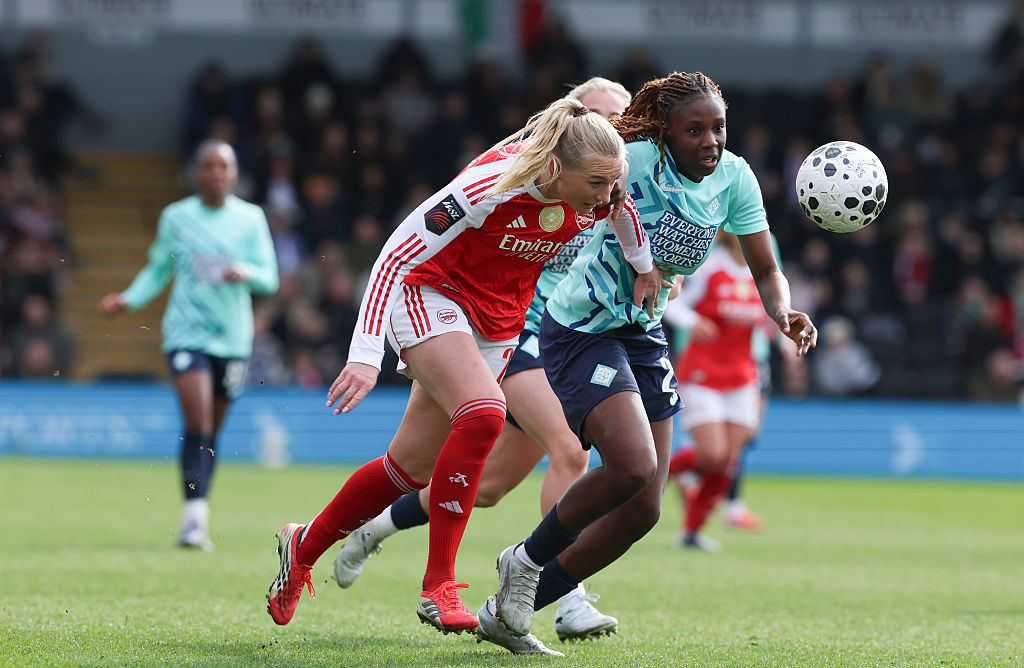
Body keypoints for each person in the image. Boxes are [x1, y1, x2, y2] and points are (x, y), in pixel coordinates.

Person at [264, 96, 665, 635]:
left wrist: (643, 267)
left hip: (499, 318)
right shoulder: (491, 185)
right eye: (596, 182)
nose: (606, 195)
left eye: (610, 182)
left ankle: (303, 545)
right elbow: (394, 256)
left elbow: (623, 212)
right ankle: (439, 586)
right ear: (553, 169)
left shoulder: (600, 191)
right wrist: (365, 354)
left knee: (406, 470)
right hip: (430, 291)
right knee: (483, 413)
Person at [484, 72, 817, 644]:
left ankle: (511, 608)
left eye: (719, 127)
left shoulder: (735, 179)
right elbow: (564, 195)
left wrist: (782, 313)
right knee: (633, 465)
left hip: (643, 333)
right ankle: (524, 559)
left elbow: (765, 268)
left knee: (644, 511)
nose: (711, 140)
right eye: (695, 129)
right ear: (665, 132)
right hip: (582, 328)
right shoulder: (631, 160)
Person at [99, 139, 279, 551]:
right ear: (197, 172)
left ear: (234, 174)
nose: (216, 173)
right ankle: (193, 521)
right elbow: (158, 268)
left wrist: (244, 271)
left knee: (211, 431)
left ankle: (198, 514)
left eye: (224, 166)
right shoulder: (176, 217)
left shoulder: (250, 219)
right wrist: (128, 298)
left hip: (232, 338)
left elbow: (270, 278)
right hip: (186, 333)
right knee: (197, 420)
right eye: (208, 166)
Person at [662, 230, 781, 551]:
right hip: (702, 372)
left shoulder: (765, 273)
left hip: (743, 376)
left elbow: (777, 314)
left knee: (726, 462)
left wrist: (785, 331)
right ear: (729, 234)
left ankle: (691, 532)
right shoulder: (709, 266)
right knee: (713, 454)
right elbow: (669, 301)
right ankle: (653, 478)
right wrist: (691, 322)